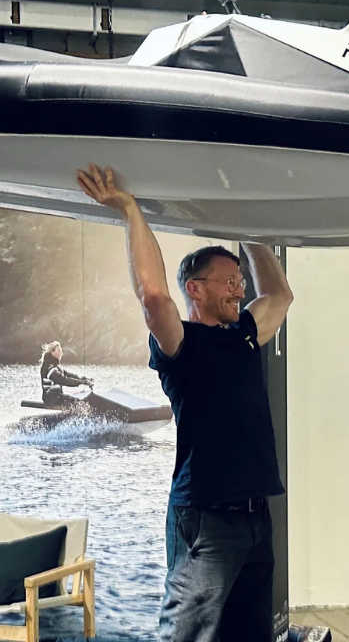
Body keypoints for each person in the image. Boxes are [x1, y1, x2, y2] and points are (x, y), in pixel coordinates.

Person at [76, 163, 292, 642]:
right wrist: (130, 209)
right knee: (189, 636)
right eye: (228, 282)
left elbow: (278, 293)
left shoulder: (244, 337)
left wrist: (248, 234)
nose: (240, 289)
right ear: (195, 289)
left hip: (257, 516)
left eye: (239, 281)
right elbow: (153, 295)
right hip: (206, 519)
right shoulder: (181, 345)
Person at [39, 340, 92, 405]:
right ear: (51, 352)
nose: (61, 353)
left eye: (61, 351)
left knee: (79, 402)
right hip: (51, 400)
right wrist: (81, 382)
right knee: (81, 404)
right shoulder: (48, 367)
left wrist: (82, 378)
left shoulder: (56, 366)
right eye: (58, 351)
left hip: (57, 397)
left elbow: (68, 375)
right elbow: (64, 380)